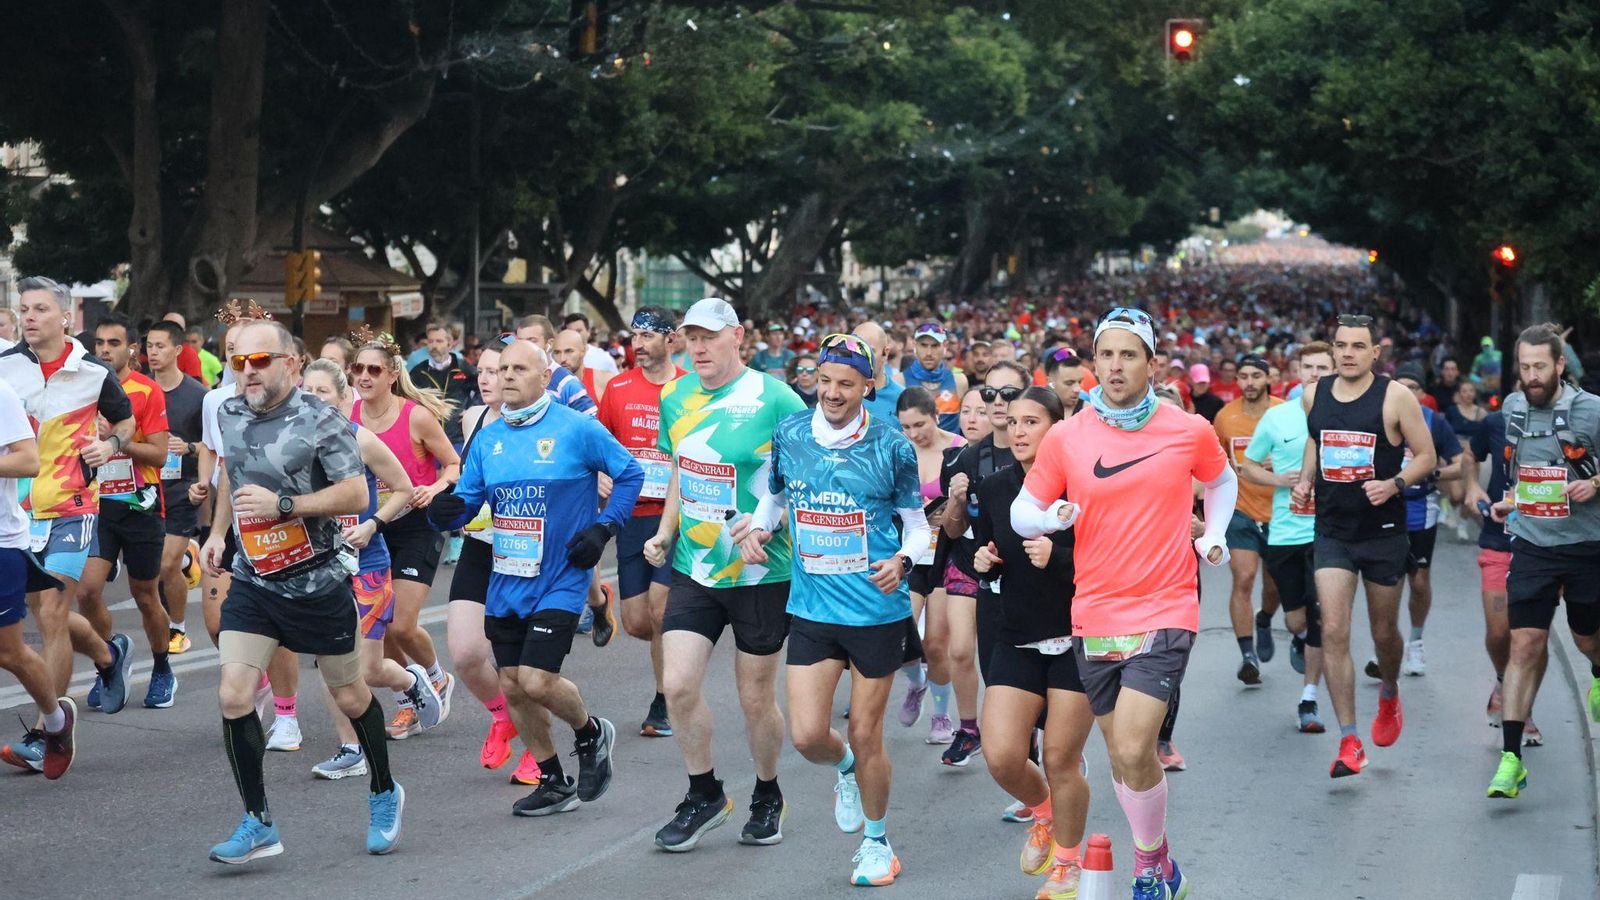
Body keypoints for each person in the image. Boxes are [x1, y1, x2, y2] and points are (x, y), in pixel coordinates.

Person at [1012, 307, 1233, 899]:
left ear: (1152, 364)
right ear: (1093, 363)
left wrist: (1213, 533)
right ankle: (1163, 860)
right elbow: (1021, 510)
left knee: (1136, 743)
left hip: (1166, 604)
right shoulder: (1067, 435)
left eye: (1128, 354)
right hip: (1094, 613)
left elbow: (1222, 480)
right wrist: (1050, 515)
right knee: (1122, 758)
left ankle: (1147, 865)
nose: (1115, 365)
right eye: (1106, 354)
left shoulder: (1188, 429)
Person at [200, 318, 404, 862]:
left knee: (351, 695)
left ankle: (384, 789)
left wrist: (284, 506)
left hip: (317, 585)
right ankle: (258, 821)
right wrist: (219, 533)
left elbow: (356, 492)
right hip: (255, 581)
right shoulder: (228, 412)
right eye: (236, 361)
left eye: (259, 359)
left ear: (289, 363)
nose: (247, 371)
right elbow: (231, 474)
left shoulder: (321, 420)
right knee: (233, 694)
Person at [733, 332, 928, 885]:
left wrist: (905, 565)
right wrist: (760, 529)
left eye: (846, 384)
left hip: (876, 610)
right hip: (814, 608)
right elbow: (775, 496)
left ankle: (876, 843)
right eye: (825, 382)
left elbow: (917, 530)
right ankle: (844, 769)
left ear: (869, 386)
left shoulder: (892, 446)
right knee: (808, 735)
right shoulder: (791, 432)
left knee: (867, 733)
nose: (833, 394)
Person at [428, 339, 640, 816]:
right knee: (512, 685)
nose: (505, 376)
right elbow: (469, 499)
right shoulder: (486, 438)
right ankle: (552, 780)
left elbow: (630, 475)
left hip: (561, 577)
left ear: (546, 377)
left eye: (519, 368)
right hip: (507, 579)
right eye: (501, 368)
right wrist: (447, 510)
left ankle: (590, 733)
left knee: (538, 680)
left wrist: (605, 526)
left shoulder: (576, 429)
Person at [642, 297, 807, 851]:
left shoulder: (775, 397)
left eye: (710, 336)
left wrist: (769, 526)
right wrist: (666, 532)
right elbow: (680, 470)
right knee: (677, 684)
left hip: (761, 570)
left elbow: (799, 478)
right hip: (695, 564)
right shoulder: (676, 393)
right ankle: (704, 793)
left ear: (738, 336)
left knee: (755, 698)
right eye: (691, 336)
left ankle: (767, 793)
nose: (699, 346)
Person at [1291, 314, 1435, 778]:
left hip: (1384, 533)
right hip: (1332, 530)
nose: (1348, 353)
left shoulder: (1395, 396)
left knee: (1383, 633)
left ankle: (1389, 690)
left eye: (1358, 346)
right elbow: (1317, 440)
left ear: (1376, 353)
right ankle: (1349, 738)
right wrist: (1305, 481)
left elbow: (1427, 457)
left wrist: (1394, 483)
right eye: (1341, 345)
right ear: (1332, 350)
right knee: (1332, 627)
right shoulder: (1314, 394)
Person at [0, 277, 134, 773]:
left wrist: (112, 446)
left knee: (53, 614)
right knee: (41, 613)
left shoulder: (93, 372)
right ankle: (107, 654)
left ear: (64, 317)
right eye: (24, 308)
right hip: (18, 512)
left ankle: (45, 733)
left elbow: (124, 422)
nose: (29, 316)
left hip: (74, 504)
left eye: (39, 309)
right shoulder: (5, 369)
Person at [971, 387, 1094, 900]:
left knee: (1061, 758)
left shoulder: (1083, 482)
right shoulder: (996, 487)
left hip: (1079, 636)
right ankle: (1044, 814)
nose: (1018, 431)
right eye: (1013, 422)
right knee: (1000, 754)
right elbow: (975, 548)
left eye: (1032, 422)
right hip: (1018, 635)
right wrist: (979, 561)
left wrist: (1059, 557)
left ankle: (1068, 861)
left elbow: (1113, 557)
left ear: (1057, 428)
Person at [301, 359, 446, 778]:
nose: (313, 399)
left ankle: (410, 683)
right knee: (331, 660)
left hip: (367, 563)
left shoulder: (360, 439)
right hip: (319, 567)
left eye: (323, 392)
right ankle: (351, 749)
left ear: (344, 397)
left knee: (367, 668)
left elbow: (402, 489)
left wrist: (372, 523)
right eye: (306, 391)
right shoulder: (291, 445)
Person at [1483, 325, 1600, 799]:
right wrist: (1511, 500)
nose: (1531, 376)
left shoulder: (1591, 410)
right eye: (1524, 367)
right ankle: (1511, 757)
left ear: (1559, 365)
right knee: (1525, 644)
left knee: (1586, 636)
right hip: (1530, 543)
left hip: (1586, 545)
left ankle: (1596, 669)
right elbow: (1527, 471)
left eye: (1539, 367)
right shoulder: (1512, 408)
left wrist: (1596, 484)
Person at [350, 330, 461, 739]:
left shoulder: (415, 415)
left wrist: (433, 488)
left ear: (393, 373)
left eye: (373, 369)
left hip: (416, 523)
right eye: (358, 368)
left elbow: (453, 464)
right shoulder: (348, 415)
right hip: (368, 526)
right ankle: (407, 700)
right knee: (380, 625)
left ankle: (436, 677)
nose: (364, 376)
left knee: (400, 624)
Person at [441, 340, 538, 781]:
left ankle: (539, 746)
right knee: (464, 654)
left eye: (497, 371)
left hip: (526, 552)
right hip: (481, 546)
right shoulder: (473, 418)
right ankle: (504, 716)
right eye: (481, 371)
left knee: (524, 663)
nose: (486, 379)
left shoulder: (542, 426)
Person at [938, 363, 1033, 785]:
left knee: (1041, 682)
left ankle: (1055, 759)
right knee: (999, 675)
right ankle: (1024, 769)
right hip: (984, 578)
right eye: (989, 394)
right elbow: (955, 528)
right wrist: (957, 502)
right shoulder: (969, 457)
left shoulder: (1045, 449)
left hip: (1039, 583)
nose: (998, 402)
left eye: (1009, 393)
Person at [77, 314, 178, 709]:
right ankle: (110, 663)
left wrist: (116, 440)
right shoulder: (83, 389)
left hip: (141, 504)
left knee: (145, 595)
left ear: (131, 348)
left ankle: (162, 668)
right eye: (100, 343)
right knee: (86, 591)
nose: (104, 350)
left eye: (114, 343)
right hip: (97, 506)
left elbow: (158, 453)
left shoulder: (147, 391)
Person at [595, 307, 686, 738]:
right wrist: (599, 475)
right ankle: (677, 665)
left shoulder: (691, 387)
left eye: (649, 335)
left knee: (661, 608)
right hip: (632, 515)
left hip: (677, 517)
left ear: (672, 339)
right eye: (636, 336)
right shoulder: (617, 387)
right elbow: (600, 443)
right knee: (637, 621)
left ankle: (665, 698)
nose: (640, 344)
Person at [1242, 341, 1336, 733]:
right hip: (1284, 531)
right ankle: (1293, 634)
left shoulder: (1345, 418)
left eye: (1322, 368)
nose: (1315, 374)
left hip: (1329, 533)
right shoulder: (1277, 418)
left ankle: (1308, 698)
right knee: (1297, 618)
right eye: (1309, 367)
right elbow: (1248, 466)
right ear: (1298, 372)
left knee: (1320, 616)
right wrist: (1279, 479)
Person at [0, 377, 77, 779]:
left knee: (8, 652)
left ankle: (56, 721)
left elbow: (29, 460)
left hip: (1, 542)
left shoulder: (1, 392)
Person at [1461, 389, 1544, 747]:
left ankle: (1522, 711)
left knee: (1531, 638)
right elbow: (1470, 455)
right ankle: (1501, 679)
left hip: (1542, 544)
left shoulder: (1563, 427)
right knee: (1499, 633)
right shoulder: (1494, 423)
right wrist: (1471, 486)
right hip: (1499, 538)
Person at [896, 388, 972, 755]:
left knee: (937, 642)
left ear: (936, 417)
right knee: (901, 636)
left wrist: (954, 508)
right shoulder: (899, 450)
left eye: (920, 425)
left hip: (946, 556)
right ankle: (916, 683)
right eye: (906, 426)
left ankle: (942, 717)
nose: (913, 434)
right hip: (909, 554)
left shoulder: (958, 449)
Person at [1377, 363, 1463, 678]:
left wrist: (1430, 471)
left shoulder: (1434, 422)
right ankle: (1384, 646)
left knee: (1420, 581)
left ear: (1423, 393)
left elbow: (1460, 464)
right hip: (1385, 510)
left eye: (1413, 388)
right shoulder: (1380, 417)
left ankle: (1415, 642)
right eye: (1401, 386)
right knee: (1387, 583)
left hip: (1420, 508)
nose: (1407, 393)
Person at [1211, 354, 1283, 685]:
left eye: (1256, 375)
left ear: (1268, 378)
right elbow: (1217, 465)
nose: (1249, 382)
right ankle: (1248, 655)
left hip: (1281, 510)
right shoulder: (1225, 418)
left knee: (1274, 585)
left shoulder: (1285, 413)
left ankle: (1265, 618)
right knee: (1243, 578)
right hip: (1241, 509)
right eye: (1243, 376)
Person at [146, 321, 208, 655]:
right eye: (150, 346)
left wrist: (190, 448)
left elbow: (214, 446)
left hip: (182, 488)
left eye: (160, 346)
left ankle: (178, 629)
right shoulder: (139, 390)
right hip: (144, 488)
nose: (153, 352)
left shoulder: (198, 395)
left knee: (164, 567)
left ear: (178, 350)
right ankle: (188, 559)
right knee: (154, 568)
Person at [408, 320, 480, 447]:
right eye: (430, 341)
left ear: (450, 343)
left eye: (439, 341)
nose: (434, 346)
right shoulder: (418, 372)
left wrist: (472, 409)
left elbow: (482, 387)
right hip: (428, 439)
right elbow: (407, 397)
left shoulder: (462, 367)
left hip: (457, 438)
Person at [902, 322, 967, 432]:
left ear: (945, 346)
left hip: (952, 448)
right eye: (923, 345)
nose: (929, 353)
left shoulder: (959, 381)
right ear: (915, 346)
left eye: (935, 345)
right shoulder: (899, 381)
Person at [853, 322, 904, 420]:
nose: (861, 357)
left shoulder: (902, 399)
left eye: (870, 351)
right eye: (855, 350)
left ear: (885, 353)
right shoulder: (838, 394)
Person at [553, 328, 610, 405]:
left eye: (569, 351)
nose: (562, 359)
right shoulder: (545, 386)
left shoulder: (604, 381)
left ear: (583, 351)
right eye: (557, 352)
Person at [563, 312, 621, 377]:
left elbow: (617, 382)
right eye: (571, 332)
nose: (575, 335)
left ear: (588, 332)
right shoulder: (559, 359)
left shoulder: (603, 357)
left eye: (579, 331)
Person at [1044, 349, 1087, 416]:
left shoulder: (1088, 412)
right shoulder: (1036, 410)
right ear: (1050, 382)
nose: (1077, 389)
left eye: (1080, 382)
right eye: (1069, 383)